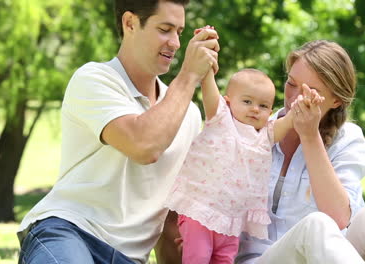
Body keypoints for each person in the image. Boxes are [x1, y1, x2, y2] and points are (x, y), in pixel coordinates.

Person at [16, 0, 221, 263]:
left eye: (179, 32)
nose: (175, 43)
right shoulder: (93, 79)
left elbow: (171, 219)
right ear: (130, 23)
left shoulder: (189, 115)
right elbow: (144, 145)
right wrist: (190, 75)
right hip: (69, 231)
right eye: (165, 29)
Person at [235, 40, 365, 263]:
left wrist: (310, 136)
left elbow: (338, 218)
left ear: (336, 100)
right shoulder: (251, 130)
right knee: (315, 224)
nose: (295, 98)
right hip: (262, 258)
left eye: (312, 92)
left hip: (327, 255)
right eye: (291, 83)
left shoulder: (347, 139)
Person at [164, 27, 324, 264]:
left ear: (270, 111)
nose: (254, 109)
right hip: (201, 212)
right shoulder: (220, 117)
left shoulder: (267, 134)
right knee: (197, 258)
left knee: (225, 260)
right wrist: (207, 54)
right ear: (229, 102)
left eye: (263, 105)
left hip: (231, 222)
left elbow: (291, 118)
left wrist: (307, 100)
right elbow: (208, 82)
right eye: (247, 101)